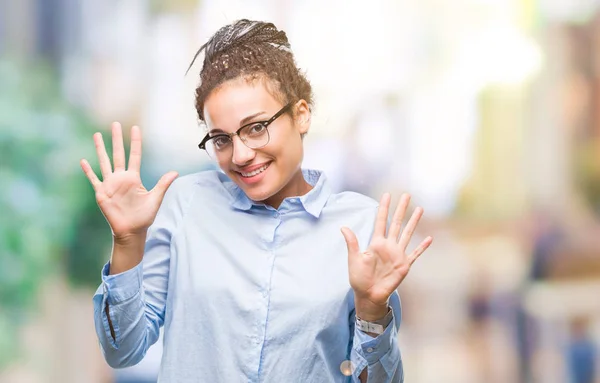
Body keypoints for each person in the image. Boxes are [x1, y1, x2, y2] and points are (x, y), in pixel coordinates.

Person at [80, 19, 433, 383]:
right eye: (221, 139)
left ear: (301, 114)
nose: (241, 155)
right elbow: (123, 350)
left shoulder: (360, 227)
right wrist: (127, 242)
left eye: (255, 127)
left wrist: (373, 311)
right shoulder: (185, 206)